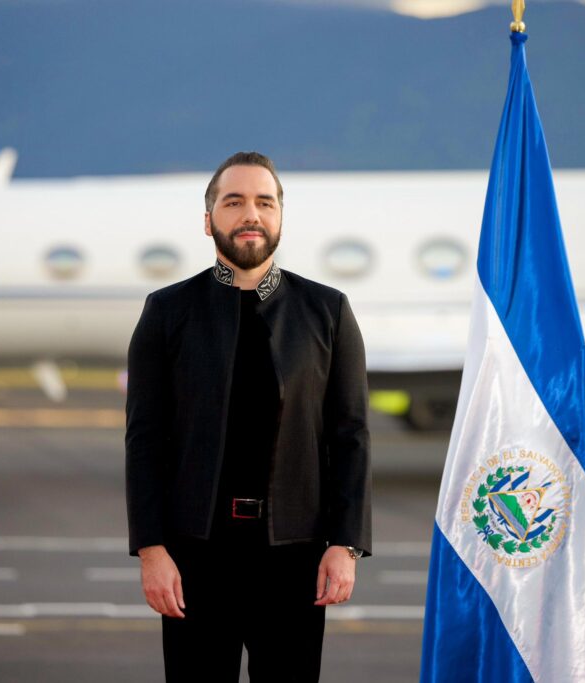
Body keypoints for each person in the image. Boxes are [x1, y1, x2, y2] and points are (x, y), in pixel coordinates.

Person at [125, 151, 372, 682]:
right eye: (233, 202)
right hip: (194, 556)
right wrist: (151, 550)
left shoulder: (327, 311)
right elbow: (144, 442)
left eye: (264, 202)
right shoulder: (166, 312)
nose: (250, 214)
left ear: (280, 217)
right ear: (208, 219)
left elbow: (351, 436)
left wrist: (345, 544)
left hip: (295, 557)